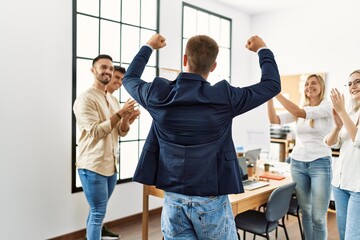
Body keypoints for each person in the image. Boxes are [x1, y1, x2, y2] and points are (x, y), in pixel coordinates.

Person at [122, 33, 281, 239]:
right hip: (211, 200)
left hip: (173, 199)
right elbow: (272, 84)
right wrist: (262, 49)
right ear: (213, 66)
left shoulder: (157, 94)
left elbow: (129, 78)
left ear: (185, 59)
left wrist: (148, 47)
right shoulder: (225, 97)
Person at [73, 55, 137, 240]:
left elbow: (121, 132)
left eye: (110, 68)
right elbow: (95, 132)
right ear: (93, 70)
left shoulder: (113, 99)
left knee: (97, 212)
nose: (108, 71)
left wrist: (126, 119)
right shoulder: (85, 99)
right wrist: (119, 114)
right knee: (98, 213)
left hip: (111, 165)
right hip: (92, 165)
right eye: (103, 67)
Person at [267, 74, 333, 240]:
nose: (309, 86)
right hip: (298, 163)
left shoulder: (327, 106)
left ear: (321, 87)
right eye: (307, 84)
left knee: (318, 217)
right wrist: (269, 98)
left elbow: (298, 112)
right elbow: (274, 119)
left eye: (314, 83)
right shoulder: (301, 108)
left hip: (320, 164)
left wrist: (276, 92)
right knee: (306, 212)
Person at [324, 70, 360, 240]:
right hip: (340, 184)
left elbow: (358, 140)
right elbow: (332, 143)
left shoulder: (347, 113)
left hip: (357, 187)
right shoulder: (351, 113)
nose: (353, 86)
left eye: (358, 81)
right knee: (344, 234)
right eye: (350, 83)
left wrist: (342, 112)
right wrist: (337, 126)